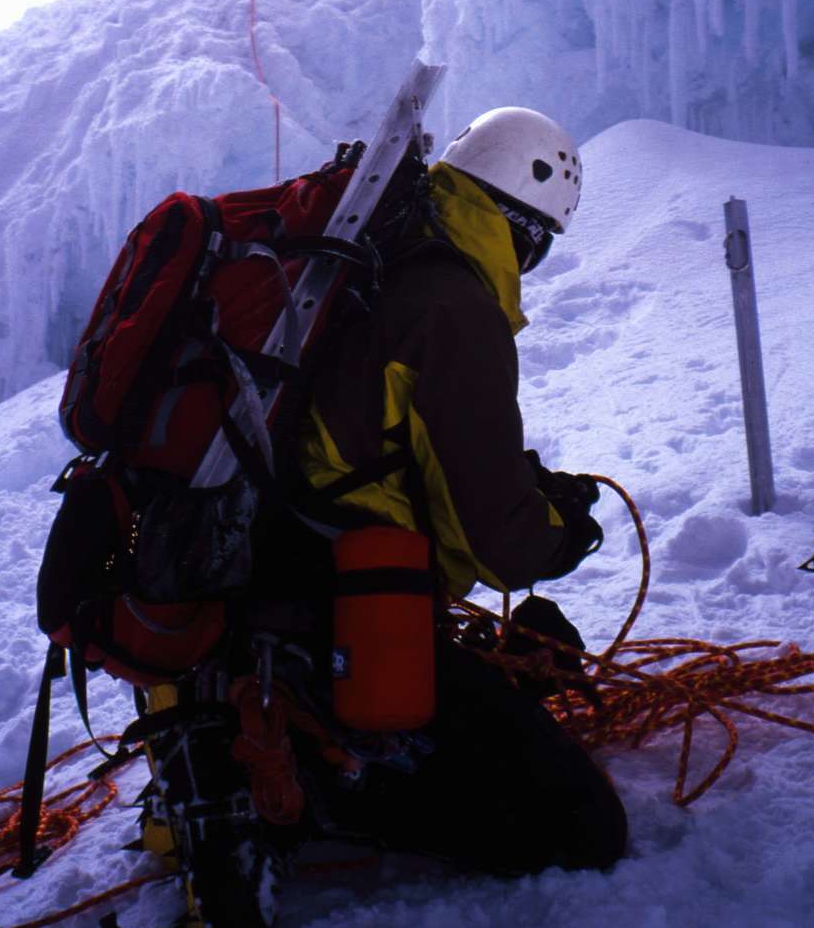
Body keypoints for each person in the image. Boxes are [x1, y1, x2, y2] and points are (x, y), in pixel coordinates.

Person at [249, 106, 627, 883]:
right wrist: (562, 533)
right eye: (538, 249)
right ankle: (336, 791)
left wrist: (530, 490)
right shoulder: (456, 310)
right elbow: (499, 541)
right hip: (348, 606)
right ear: (521, 227)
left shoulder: (394, 258)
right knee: (583, 827)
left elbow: (407, 450)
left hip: (281, 581)